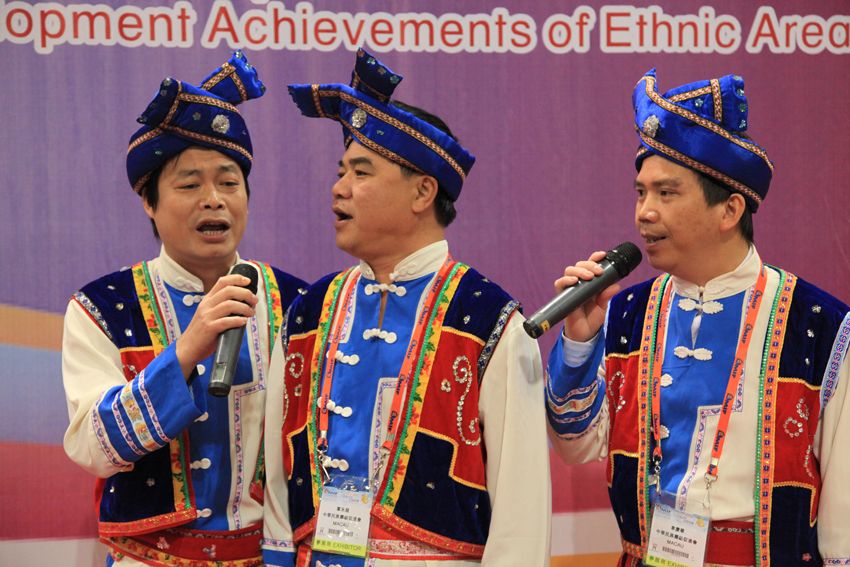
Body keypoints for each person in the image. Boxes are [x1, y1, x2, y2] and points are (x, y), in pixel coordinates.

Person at [545, 68, 850, 566]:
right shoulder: (626, 313)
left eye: (666, 193)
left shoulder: (817, 325)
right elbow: (576, 445)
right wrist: (578, 343)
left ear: (730, 210)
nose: (644, 212)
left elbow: (845, 510)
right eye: (640, 193)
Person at [259, 48, 551, 567]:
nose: (339, 188)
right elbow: (279, 494)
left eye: (361, 173)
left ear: (422, 192)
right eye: (341, 171)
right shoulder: (308, 313)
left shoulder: (487, 319)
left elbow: (520, 514)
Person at [62, 51, 307, 566]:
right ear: (148, 202)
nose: (213, 199)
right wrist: (187, 351)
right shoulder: (102, 308)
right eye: (190, 184)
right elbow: (92, 447)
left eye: (229, 183)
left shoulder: (299, 305)